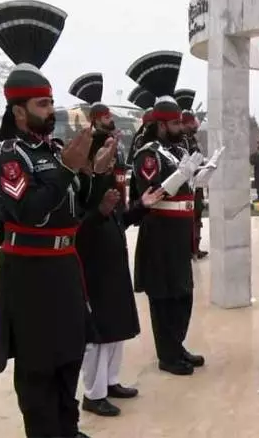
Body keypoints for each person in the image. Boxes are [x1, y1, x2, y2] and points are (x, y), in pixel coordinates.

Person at [0, 0, 113, 437]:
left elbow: (76, 207)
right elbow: (27, 211)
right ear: (19, 111)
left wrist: (94, 174)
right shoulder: (8, 155)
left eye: (51, 102)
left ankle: (68, 427)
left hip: (64, 269)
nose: (51, 110)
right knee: (39, 368)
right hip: (29, 275)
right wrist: (67, 169)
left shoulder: (54, 150)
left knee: (68, 356)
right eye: (43, 104)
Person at [68, 73, 161, 417]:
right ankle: (93, 394)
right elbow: (78, 226)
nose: (111, 158)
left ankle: (110, 382)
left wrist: (141, 206)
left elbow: (119, 218)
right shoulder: (79, 182)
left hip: (114, 260)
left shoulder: (109, 177)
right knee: (97, 333)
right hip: (92, 265)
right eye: (105, 154)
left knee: (116, 325)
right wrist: (100, 212)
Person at [128, 51, 206, 376]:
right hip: (160, 231)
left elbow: (188, 187)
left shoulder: (177, 149)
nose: (179, 127)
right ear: (160, 125)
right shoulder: (148, 154)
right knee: (163, 296)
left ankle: (177, 344)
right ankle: (167, 354)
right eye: (174, 123)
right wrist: (177, 177)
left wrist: (200, 174)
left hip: (180, 231)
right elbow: (151, 192)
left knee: (183, 294)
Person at [175, 90, 208, 260]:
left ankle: (195, 247)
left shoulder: (191, 139)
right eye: (193, 122)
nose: (196, 125)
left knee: (197, 216)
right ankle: (190, 248)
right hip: (189, 184)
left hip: (197, 183)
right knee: (191, 217)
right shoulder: (182, 140)